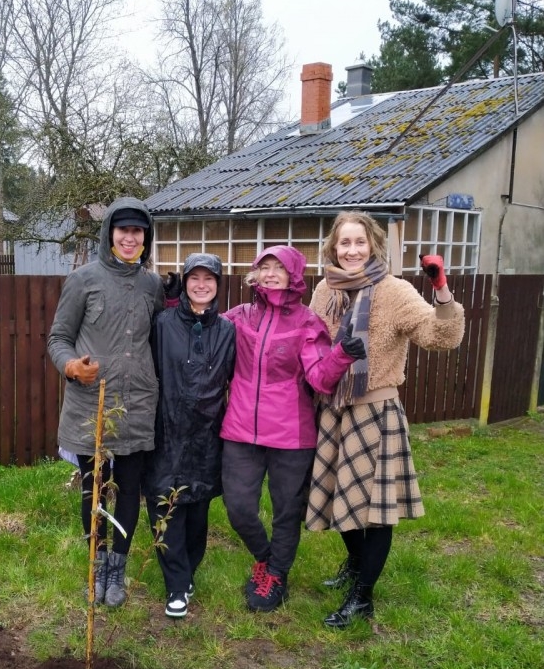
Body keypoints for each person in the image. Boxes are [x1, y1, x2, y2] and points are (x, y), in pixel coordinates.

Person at [306, 210, 465, 628]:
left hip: (375, 411)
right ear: (334, 247)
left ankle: (363, 597)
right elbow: (311, 343)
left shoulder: (395, 291)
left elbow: (440, 337)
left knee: (375, 510)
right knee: (338, 496)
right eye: (345, 243)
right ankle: (356, 566)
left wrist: (442, 290)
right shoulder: (324, 289)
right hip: (333, 411)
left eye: (360, 242)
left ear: (373, 245)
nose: (352, 250)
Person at [220, 246, 365, 613]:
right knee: (238, 508)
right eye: (264, 267)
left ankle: (276, 577)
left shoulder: (307, 323)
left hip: (291, 434)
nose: (270, 274)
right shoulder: (239, 317)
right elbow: (199, 335)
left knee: (286, 511)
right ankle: (266, 560)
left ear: (293, 275)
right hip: (240, 430)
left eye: (278, 268)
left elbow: (319, 379)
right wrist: (176, 305)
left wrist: (341, 355)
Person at [47, 197, 164, 607]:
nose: (130, 238)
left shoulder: (152, 285)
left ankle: (118, 570)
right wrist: (71, 368)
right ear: (109, 233)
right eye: (123, 230)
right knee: (94, 490)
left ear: (145, 237)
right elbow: (58, 338)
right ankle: (96, 567)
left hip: (137, 404)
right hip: (91, 405)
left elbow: (159, 337)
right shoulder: (83, 280)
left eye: (137, 231)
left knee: (130, 489)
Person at [143, 253, 236, 618]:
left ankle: (189, 570)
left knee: (197, 507)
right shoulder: (163, 323)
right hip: (166, 428)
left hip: (206, 433)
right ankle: (176, 584)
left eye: (208, 279)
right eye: (194, 278)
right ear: (184, 282)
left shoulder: (227, 330)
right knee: (166, 504)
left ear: (217, 284)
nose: (201, 285)